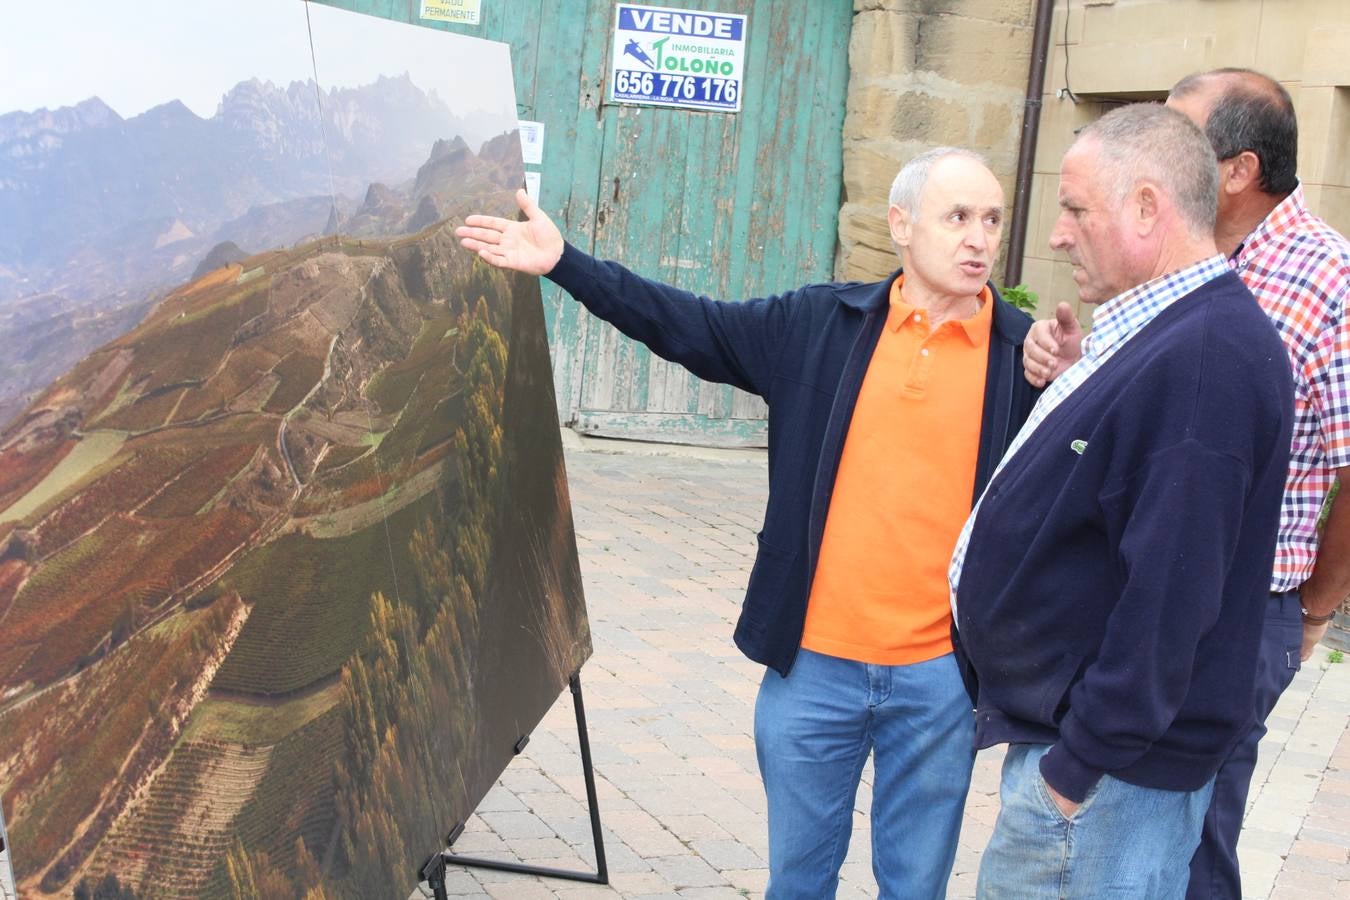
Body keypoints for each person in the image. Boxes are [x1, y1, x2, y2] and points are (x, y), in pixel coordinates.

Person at [457, 148, 1039, 898]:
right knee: (797, 882)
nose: (978, 239)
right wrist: (567, 262)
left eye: (991, 219)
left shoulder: (1023, 361)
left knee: (915, 886)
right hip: (815, 668)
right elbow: (688, 324)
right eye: (956, 217)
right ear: (901, 224)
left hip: (940, 681)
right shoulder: (821, 326)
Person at [949, 103, 1293, 897]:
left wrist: (1076, 771)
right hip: (1097, 767)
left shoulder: (1206, 358)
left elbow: (1171, 598)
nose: (1058, 233)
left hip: (1108, 783)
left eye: (1075, 209)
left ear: (1147, 206)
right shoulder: (1176, 334)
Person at [1022, 68, 1350, 899]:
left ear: (1236, 170)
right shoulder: (1166, 255)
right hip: (1137, 595)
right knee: (1124, 830)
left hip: (1242, 611)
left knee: (1193, 839)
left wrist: (1313, 609)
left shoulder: (1329, 280)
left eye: (1178, 133)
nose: (1152, 149)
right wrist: (1073, 372)